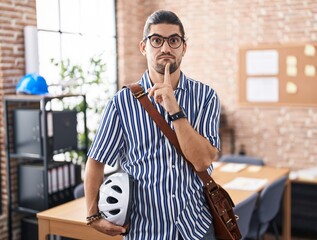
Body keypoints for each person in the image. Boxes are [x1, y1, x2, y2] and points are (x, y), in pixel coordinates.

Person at [84, 10, 221, 240]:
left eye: (174, 40)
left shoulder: (205, 96)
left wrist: (175, 110)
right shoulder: (121, 103)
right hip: (145, 231)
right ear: (143, 47)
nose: (165, 48)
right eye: (156, 40)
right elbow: (95, 161)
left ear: (183, 48)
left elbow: (203, 160)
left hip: (196, 227)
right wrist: (92, 216)